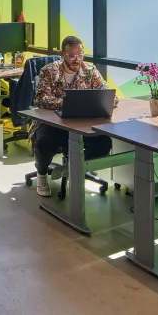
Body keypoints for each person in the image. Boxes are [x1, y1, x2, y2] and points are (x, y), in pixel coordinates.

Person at [31, 35, 116, 197]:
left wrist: (105, 102)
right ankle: (42, 174)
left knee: (104, 142)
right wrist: (65, 103)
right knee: (44, 141)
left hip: (82, 123)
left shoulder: (90, 71)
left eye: (80, 55)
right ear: (62, 54)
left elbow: (109, 95)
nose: (77, 60)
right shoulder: (49, 71)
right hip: (53, 123)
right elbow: (40, 98)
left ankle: (71, 167)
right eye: (71, 56)